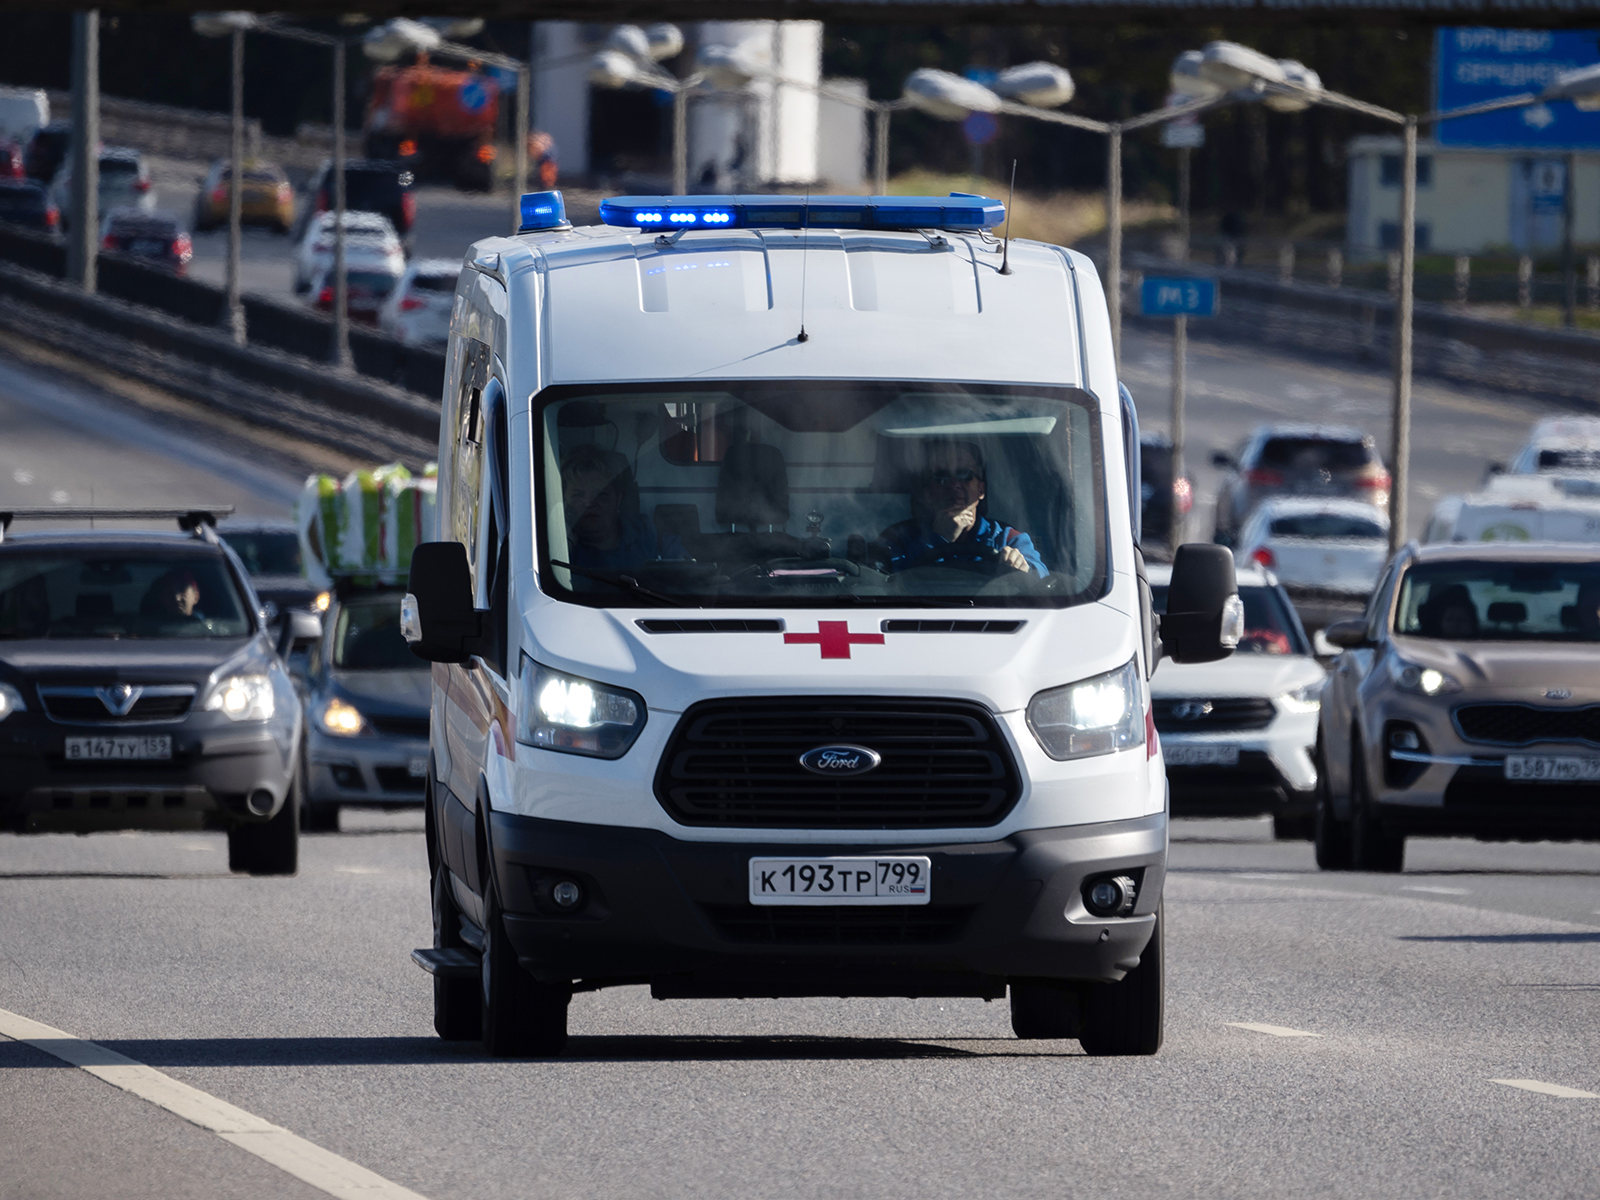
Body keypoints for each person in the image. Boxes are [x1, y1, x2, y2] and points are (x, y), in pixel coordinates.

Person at [876, 441, 1047, 577]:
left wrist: (1025, 567)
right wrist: (939, 538)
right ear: (928, 494)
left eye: (964, 474)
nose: (954, 485)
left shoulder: (1007, 538)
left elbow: (1043, 579)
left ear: (981, 490)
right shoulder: (897, 539)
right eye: (941, 477)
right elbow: (886, 584)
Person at [560, 444, 683, 573]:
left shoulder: (649, 534)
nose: (589, 503)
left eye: (601, 494)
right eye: (577, 495)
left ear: (619, 499)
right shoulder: (562, 549)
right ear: (564, 501)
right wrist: (566, 543)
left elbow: (685, 576)